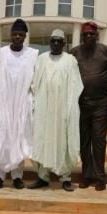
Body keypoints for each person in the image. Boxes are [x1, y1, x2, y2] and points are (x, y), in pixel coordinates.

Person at [28, 29, 83, 192]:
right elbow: (35, 84)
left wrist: (70, 107)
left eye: (59, 41)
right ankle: (42, 177)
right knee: (43, 140)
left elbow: (75, 85)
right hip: (44, 109)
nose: (56, 44)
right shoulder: (42, 59)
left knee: (63, 141)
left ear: (64, 44)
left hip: (62, 109)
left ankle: (65, 177)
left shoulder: (70, 60)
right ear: (50, 42)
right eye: (53, 41)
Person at [0, 19, 38, 190]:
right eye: (15, 34)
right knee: (2, 137)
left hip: (22, 102)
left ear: (25, 36)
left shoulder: (32, 54)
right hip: (3, 101)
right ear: (10, 35)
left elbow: (34, 79)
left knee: (19, 137)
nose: (17, 37)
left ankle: (17, 177)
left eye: (21, 34)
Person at [70, 21, 107, 191]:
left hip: (101, 105)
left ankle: (100, 177)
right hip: (81, 105)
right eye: (86, 34)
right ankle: (86, 175)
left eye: (92, 34)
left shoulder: (106, 51)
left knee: (98, 141)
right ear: (82, 36)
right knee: (84, 142)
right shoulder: (74, 52)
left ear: (96, 35)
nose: (89, 37)